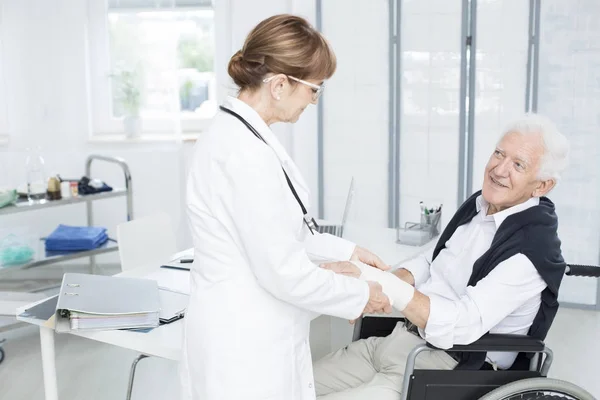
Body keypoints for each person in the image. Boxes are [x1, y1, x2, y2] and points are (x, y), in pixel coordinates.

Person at [179, 14, 391, 400]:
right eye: (315, 89)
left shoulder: (243, 136)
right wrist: (360, 296)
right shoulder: (242, 154)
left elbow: (282, 232)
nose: (313, 101)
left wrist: (347, 253)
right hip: (244, 346)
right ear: (279, 85)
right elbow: (284, 273)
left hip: (247, 329)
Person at [315, 113, 570, 399]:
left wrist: (380, 282)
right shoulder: (481, 207)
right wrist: (383, 284)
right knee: (290, 384)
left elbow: (460, 324)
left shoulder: (530, 253)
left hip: (444, 368)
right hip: (397, 343)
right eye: (499, 153)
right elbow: (432, 258)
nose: (499, 170)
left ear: (541, 186)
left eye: (518, 164)